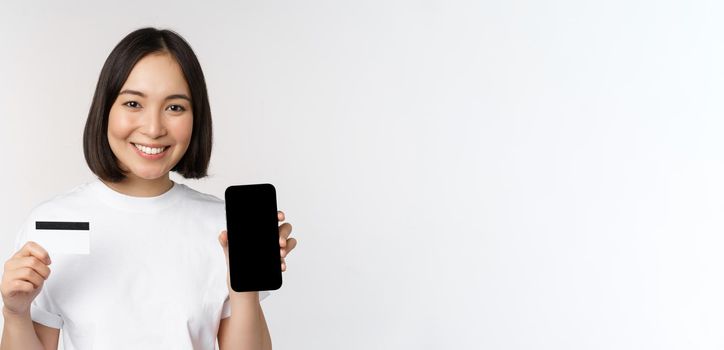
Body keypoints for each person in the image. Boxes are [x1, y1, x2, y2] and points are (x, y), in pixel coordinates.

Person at [0, 27, 297, 350]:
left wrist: (244, 285)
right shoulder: (53, 221)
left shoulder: (224, 228)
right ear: (105, 110)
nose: (154, 128)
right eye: (133, 103)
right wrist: (16, 313)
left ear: (196, 118)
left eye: (175, 107)